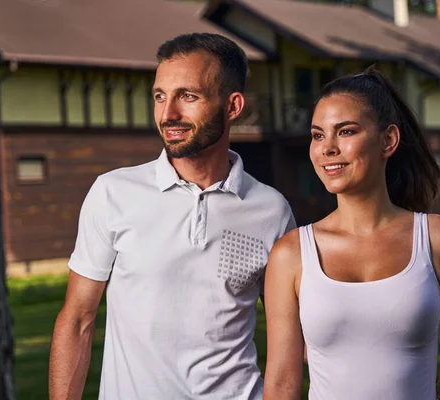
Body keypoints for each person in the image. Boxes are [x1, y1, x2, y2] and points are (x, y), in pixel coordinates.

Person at [49, 33, 295, 399]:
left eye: (188, 96)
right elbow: (78, 320)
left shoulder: (271, 209)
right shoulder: (113, 192)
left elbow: (292, 337)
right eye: (160, 96)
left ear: (232, 106)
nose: (168, 115)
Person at [263, 68, 440, 399]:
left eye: (345, 131)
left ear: (388, 140)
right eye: (317, 135)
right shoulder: (291, 254)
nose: (327, 148)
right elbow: (283, 382)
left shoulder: (439, 240)